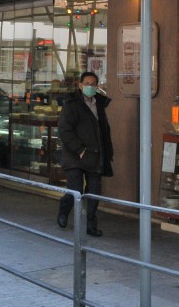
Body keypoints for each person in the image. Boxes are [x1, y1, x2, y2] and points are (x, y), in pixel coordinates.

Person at [57, 71, 113, 237]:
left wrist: (107, 151)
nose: (90, 87)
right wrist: (79, 149)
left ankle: (91, 225)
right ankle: (64, 210)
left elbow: (104, 130)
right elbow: (64, 130)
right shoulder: (72, 104)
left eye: (93, 84)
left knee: (94, 192)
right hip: (75, 155)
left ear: (97, 86)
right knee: (75, 190)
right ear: (80, 85)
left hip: (95, 155)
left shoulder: (99, 104)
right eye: (87, 84)